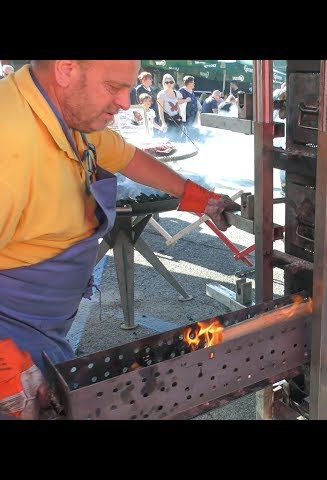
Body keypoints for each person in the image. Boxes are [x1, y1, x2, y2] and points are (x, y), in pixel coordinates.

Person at [0, 60, 239, 419]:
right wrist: (5, 366)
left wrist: (198, 198)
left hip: (46, 324)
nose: (126, 102)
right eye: (113, 87)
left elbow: (125, 156)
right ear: (66, 69)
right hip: (12, 331)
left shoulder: (64, 112)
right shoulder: (9, 144)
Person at [156, 73, 191, 141]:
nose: (169, 84)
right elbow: (160, 110)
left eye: (171, 82)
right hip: (167, 120)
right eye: (167, 82)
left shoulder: (176, 93)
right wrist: (163, 123)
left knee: (179, 139)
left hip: (176, 119)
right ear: (164, 83)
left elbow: (178, 103)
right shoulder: (161, 94)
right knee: (169, 140)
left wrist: (180, 116)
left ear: (173, 83)